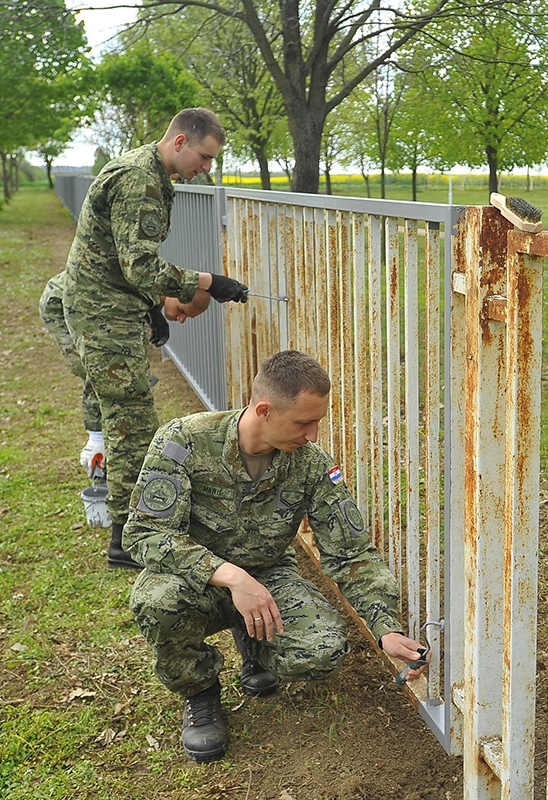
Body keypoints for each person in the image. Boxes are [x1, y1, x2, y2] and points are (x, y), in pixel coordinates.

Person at [124, 350, 427, 764]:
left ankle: (253, 640)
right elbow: (145, 533)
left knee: (324, 648)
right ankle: (200, 692)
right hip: (195, 580)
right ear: (264, 409)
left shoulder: (310, 464)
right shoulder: (184, 442)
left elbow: (351, 552)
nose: (314, 435)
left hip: (268, 575)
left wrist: (384, 627)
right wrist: (230, 576)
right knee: (156, 603)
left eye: (317, 421)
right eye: (304, 422)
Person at [62, 107, 249, 571]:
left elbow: (125, 256)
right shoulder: (141, 181)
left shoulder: (147, 173)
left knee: (126, 415)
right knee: (134, 424)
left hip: (109, 308)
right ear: (181, 141)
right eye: (205, 157)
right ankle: (128, 539)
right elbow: (140, 266)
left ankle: (128, 528)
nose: (207, 168)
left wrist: (150, 307)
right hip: (103, 314)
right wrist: (208, 281)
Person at [40, 271, 211, 480]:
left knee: (119, 374)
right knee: (97, 369)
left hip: (90, 304)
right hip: (62, 302)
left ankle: (111, 441)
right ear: (177, 295)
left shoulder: (146, 295)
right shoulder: (149, 279)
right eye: (183, 311)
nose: (181, 319)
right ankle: (97, 440)